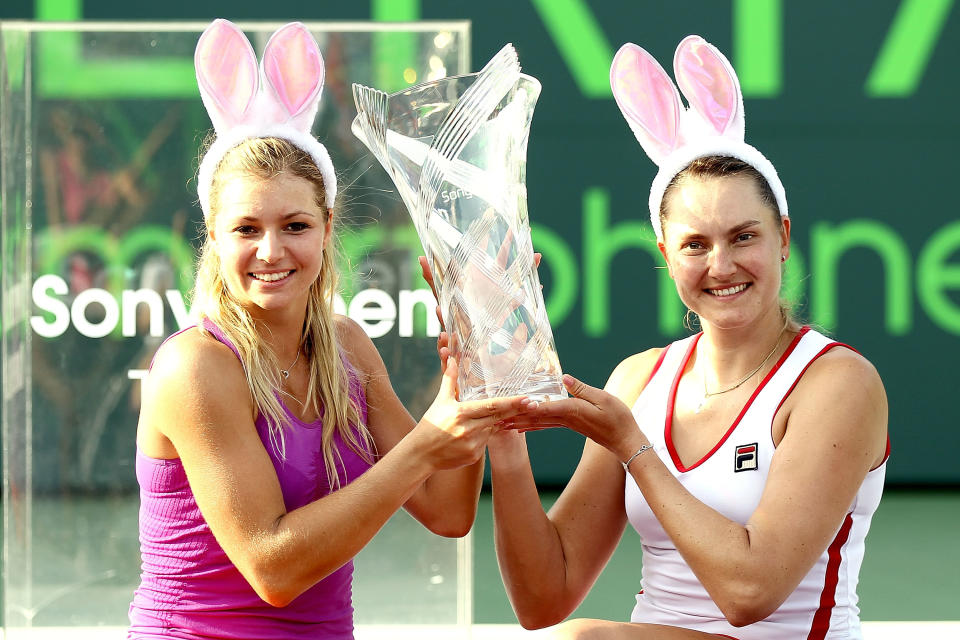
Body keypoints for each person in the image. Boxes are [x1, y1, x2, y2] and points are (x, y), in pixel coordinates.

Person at [127, 19, 528, 639]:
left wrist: (470, 377)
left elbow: (448, 510)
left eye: (294, 226)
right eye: (245, 229)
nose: (270, 251)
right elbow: (273, 569)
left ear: (327, 228)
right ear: (212, 236)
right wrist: (427, 443)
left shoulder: (346, 346)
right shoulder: (194, 366)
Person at [485, 36, 889, 639]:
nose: (721, 265)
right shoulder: (640, 379)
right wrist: (506, 432)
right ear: (666, 256)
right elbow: (544, 597)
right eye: (695, 245)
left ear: (782, 236)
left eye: (743, 237)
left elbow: (750, 594)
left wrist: (633, 445)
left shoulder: (838, 382)